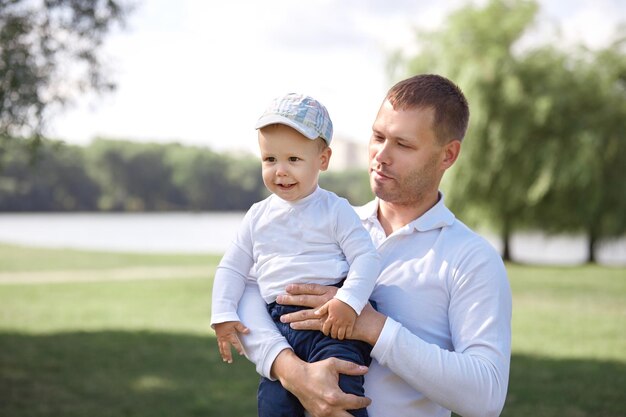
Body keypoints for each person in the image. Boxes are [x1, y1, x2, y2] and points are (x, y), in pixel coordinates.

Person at [236, 74, 512, 417]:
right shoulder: (330, 220)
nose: (381, 155)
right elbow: (247, 292)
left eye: (403, 144)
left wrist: (370, 326)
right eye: (378, 136)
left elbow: (486, 398)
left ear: (448, 155)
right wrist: (290, 370)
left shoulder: (471, 258)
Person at [210, 93, 381, 417]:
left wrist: (348, 301)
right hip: (279, 325)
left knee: (339, 396)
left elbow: (366, 258)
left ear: (323, 159)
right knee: (274, 406)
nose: (280, 171)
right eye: (270, 160)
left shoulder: (335, 210)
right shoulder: (258, 216)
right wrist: (222, 312)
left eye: (293, 160)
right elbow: (232, 267)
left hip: (330, 325)